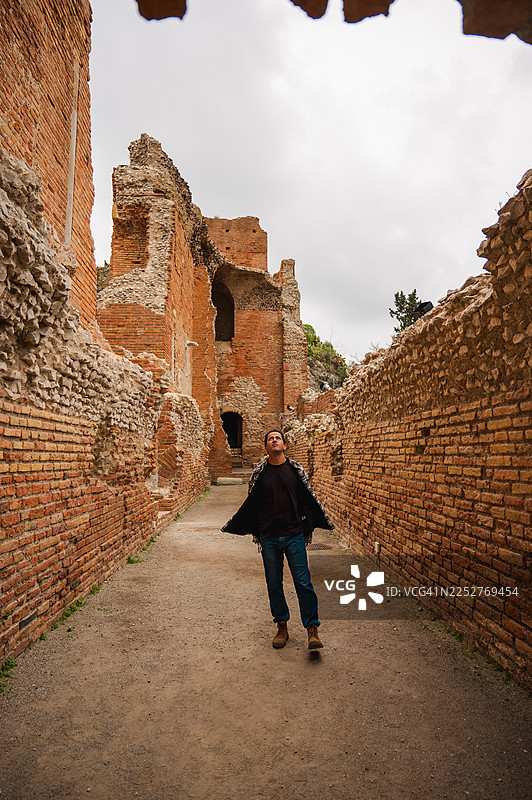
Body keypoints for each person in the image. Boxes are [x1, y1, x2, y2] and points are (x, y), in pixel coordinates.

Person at [222, 429, 334, 650]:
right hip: (269, 537)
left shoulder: (296, 470)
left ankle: (312, 629)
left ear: (284, 446)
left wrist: (306, 530)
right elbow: (252, 506)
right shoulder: (258, 473)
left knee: (303, 583)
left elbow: (308, 500)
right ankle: (281, 626)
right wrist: (257, 534)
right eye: (270, 439)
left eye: (278, 438)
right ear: (266, 447)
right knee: (274, 584)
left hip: (294, 535)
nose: (274, 441)